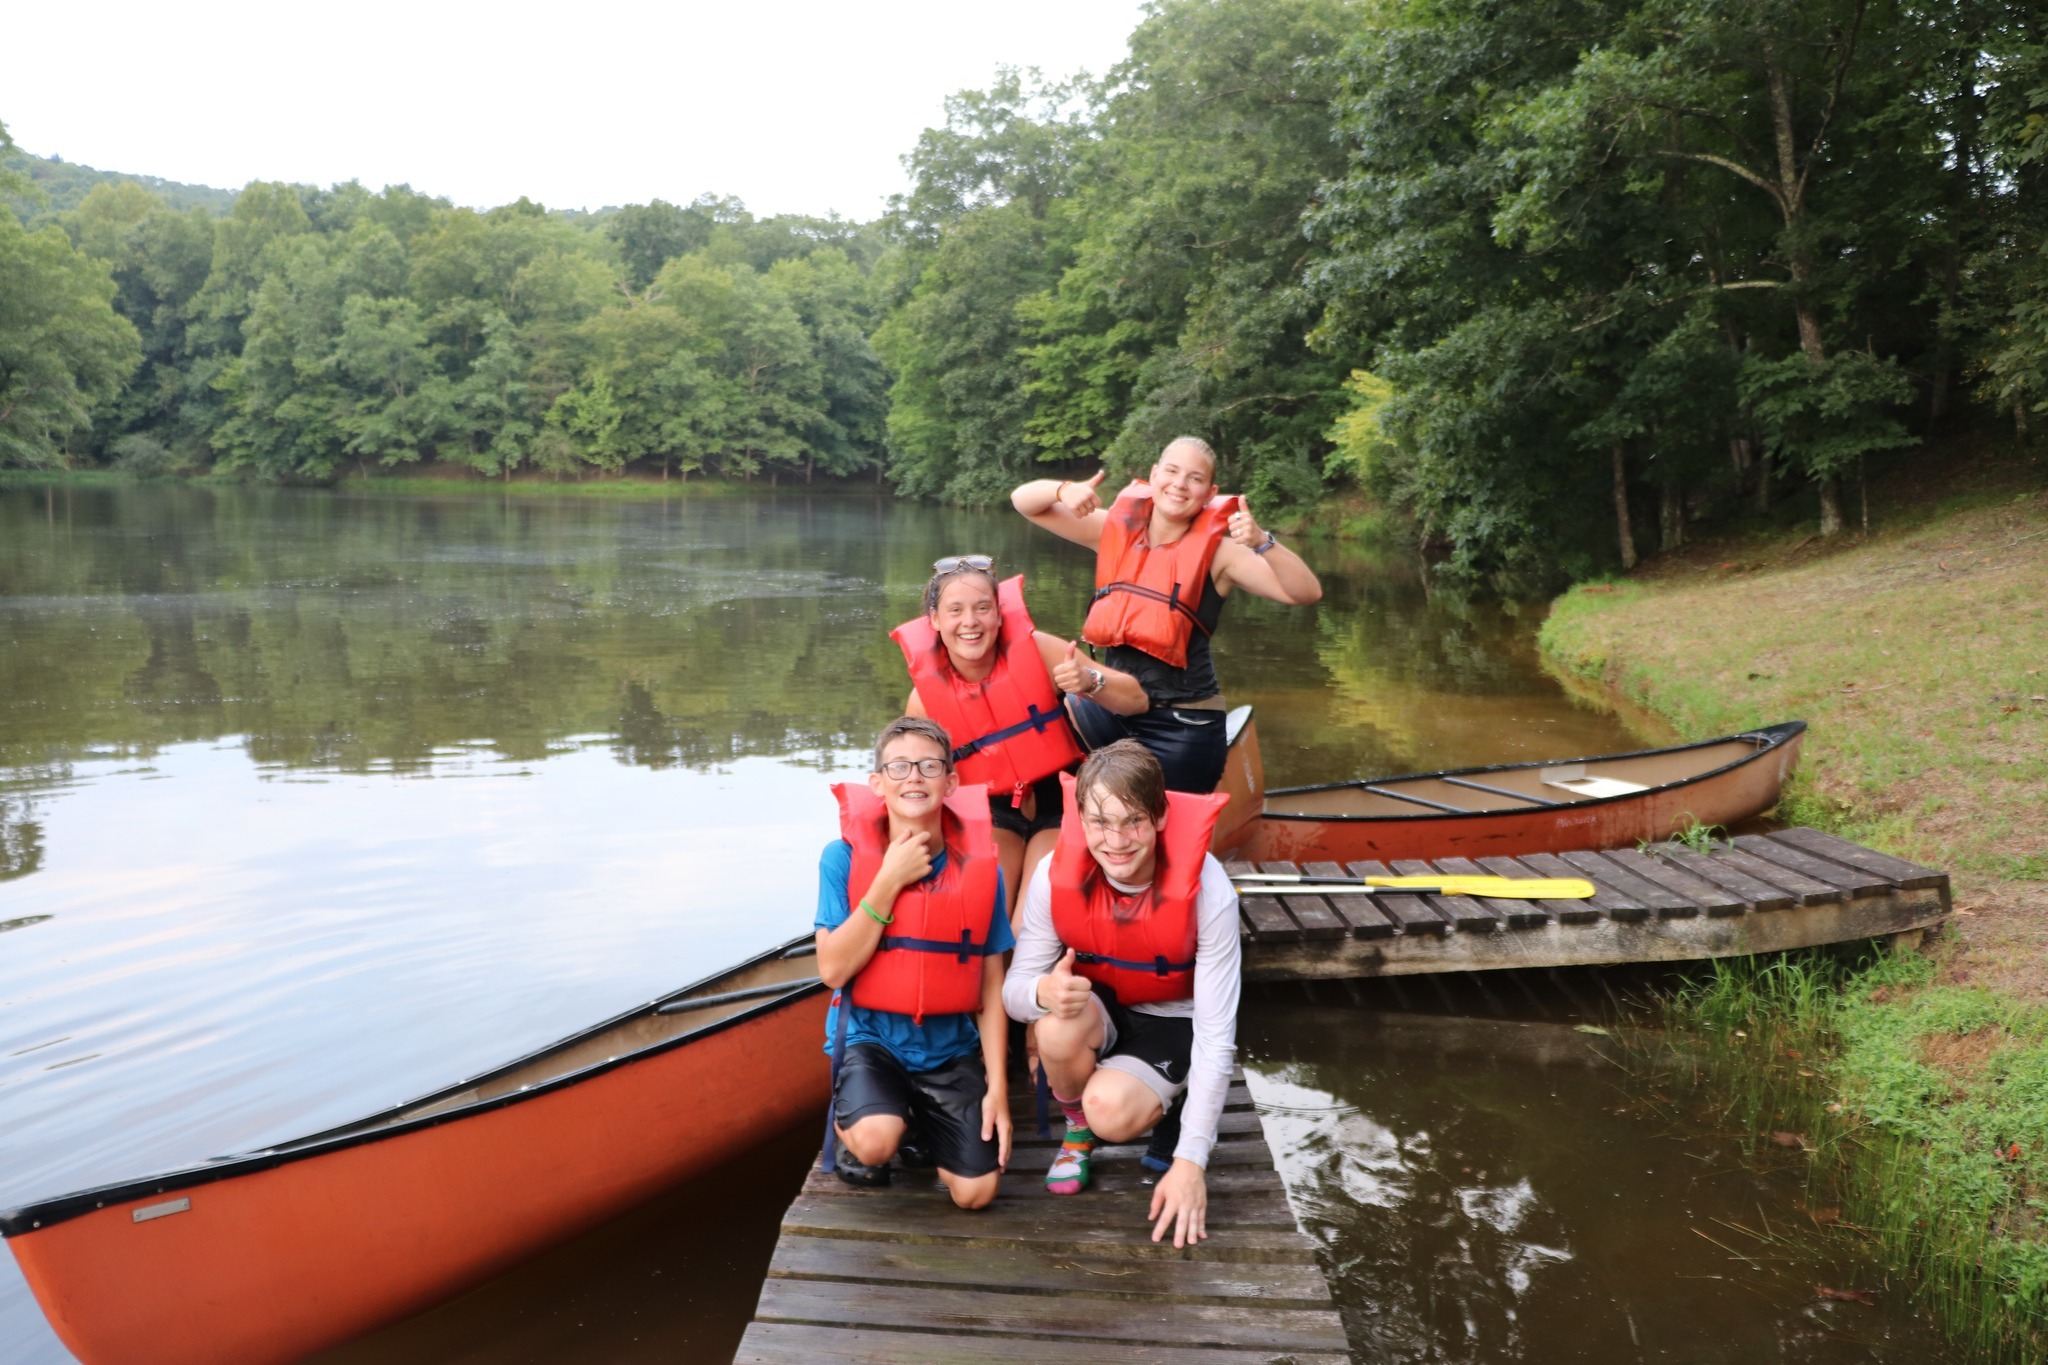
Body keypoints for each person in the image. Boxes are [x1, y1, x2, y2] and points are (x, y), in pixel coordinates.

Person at [1002, 739, 1241, 1249]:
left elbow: (1219, 1038)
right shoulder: (1053, 875)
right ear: (1081, 821)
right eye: (1099, 823)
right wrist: (1045, 991)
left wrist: (1190, 1162)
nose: (1115, 840)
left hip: (1175, 1021)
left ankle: (1169, 1106)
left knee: (1111, 1111)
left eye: (1132, 820)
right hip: (1103, 1011)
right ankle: (1076, 1132)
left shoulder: (1211, 891)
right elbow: (1013, 995)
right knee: (1053, 1025)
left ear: (1159, 816)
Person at [1010, 437, 1323, 793]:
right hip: (1109, 707)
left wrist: (1262, 542)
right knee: (1043, 682)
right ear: (1154, 475)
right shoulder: (1114, 529)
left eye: (1194, 478)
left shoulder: (1223, 553)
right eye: (1171, 471)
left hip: (1181, 725)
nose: (1179, 484)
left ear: (1210, 492)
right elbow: (1025, 503)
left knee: (1161, 834)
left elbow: (1305, 592)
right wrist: (1062, 489)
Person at [815, 716, 1013, 1207]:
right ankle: (870, 1130)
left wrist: (999, 1090)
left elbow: (991, 987)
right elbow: (833, 971)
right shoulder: (840, 859)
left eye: (929, 766)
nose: (914, 778)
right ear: (878, 783)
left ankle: (922, 1121)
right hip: (872, 1039)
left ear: (952, 781)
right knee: (877, 1141)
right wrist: (888, 879)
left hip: (948, 1049)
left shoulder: (985, 870)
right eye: (899, 767)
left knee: (976, 1193)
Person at [896, 555, 1147, 920]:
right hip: (993, 813)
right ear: (935, 619)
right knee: (988, 914)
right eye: (955, 610)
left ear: (999, 613)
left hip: (1059, 800)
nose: (970, 622)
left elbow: (1136, 700)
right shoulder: (923, 702)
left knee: (1030, 918)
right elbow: (911, 780)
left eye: (983, 608)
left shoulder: (1040, 650)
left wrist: (1089, 683)